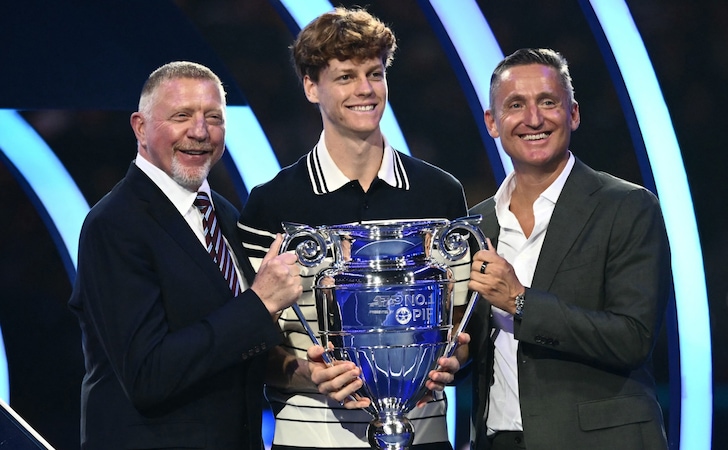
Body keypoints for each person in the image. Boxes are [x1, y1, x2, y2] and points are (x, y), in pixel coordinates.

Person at [237, 7, 469, 450]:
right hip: (310, 438)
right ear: (311, 86)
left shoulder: (439, 194)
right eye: (345, 77)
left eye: (375, 74)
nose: (365, 90)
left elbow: (462, 327)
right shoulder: (271, 204)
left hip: (422, 436)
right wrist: (309, 373)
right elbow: (248, 346)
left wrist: (453, 359)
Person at [68, 61, 303, 450]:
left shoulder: (224, 215)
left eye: (214, 117)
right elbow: (148, 375)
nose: (199, 132)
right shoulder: (114, 225)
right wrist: (260, 303)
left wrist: (300, 371)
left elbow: (230, 352)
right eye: (182, 116)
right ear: (140, 128)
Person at [465, 48, 671, 449]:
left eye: (547, 102)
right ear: (493, 122)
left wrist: (521, 301)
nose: (534, 119)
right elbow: (470, 344)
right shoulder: (475, 225)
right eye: (515, 105)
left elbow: (632, 337)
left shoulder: (627, 206)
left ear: (573, 113)